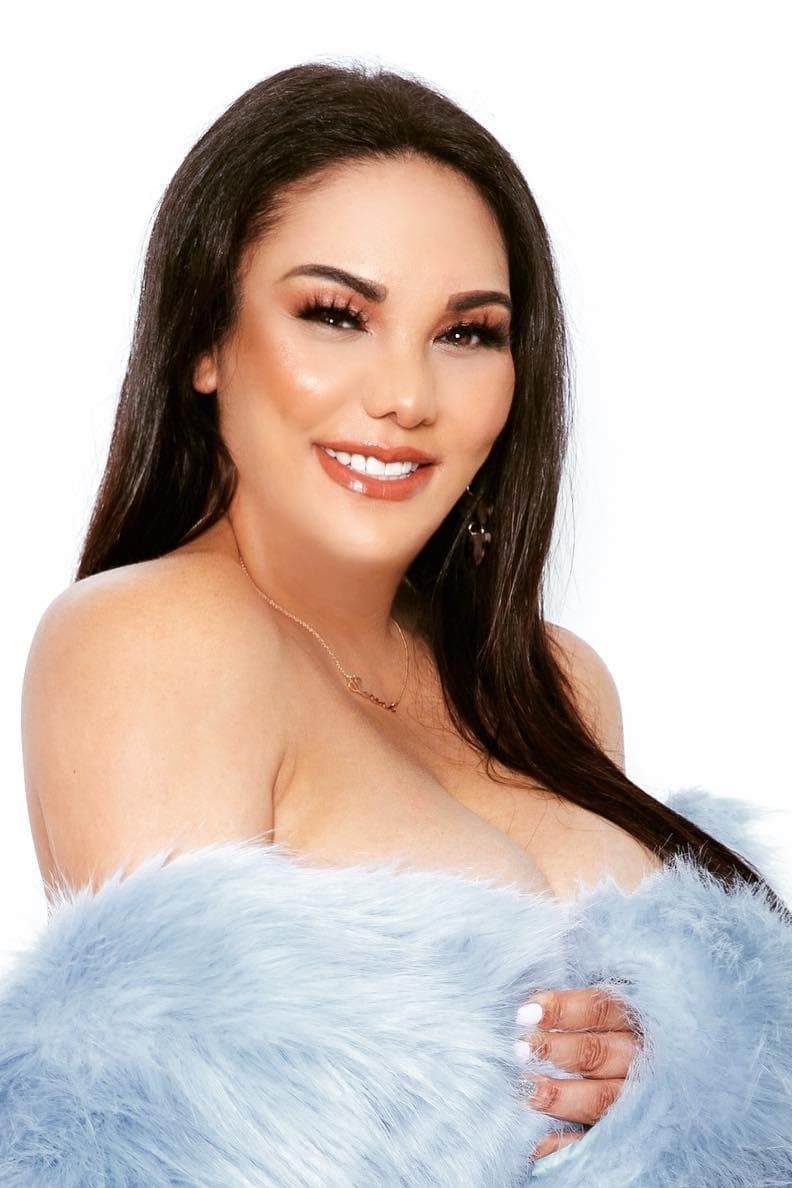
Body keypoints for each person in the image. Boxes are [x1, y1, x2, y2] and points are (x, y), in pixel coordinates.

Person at [12, 62, 791, 1185]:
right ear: (204, 343)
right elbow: (178, 1144)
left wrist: (669, 1082)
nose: (408, 396)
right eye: (337, 315)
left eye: (467, 334)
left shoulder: (555, 684)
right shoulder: (158, 636)